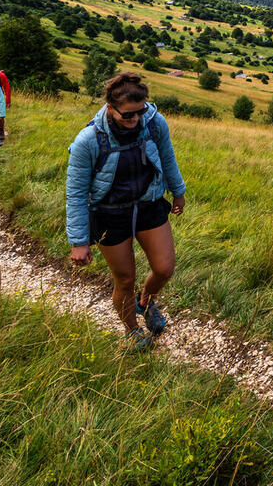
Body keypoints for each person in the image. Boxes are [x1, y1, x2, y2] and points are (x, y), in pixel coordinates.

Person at [65, 71, 187, 352]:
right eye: (127, 115)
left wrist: (177, 192)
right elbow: (76, 193)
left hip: (149, 204)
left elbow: (168, 157)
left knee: (164, 268)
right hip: (109, 214)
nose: (135, 120)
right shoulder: (88, 141)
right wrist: (79, 241)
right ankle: (132, 330)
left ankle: (146, 301)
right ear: (110, 108)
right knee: (124, 279)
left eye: (140, 112)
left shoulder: (154, 123)